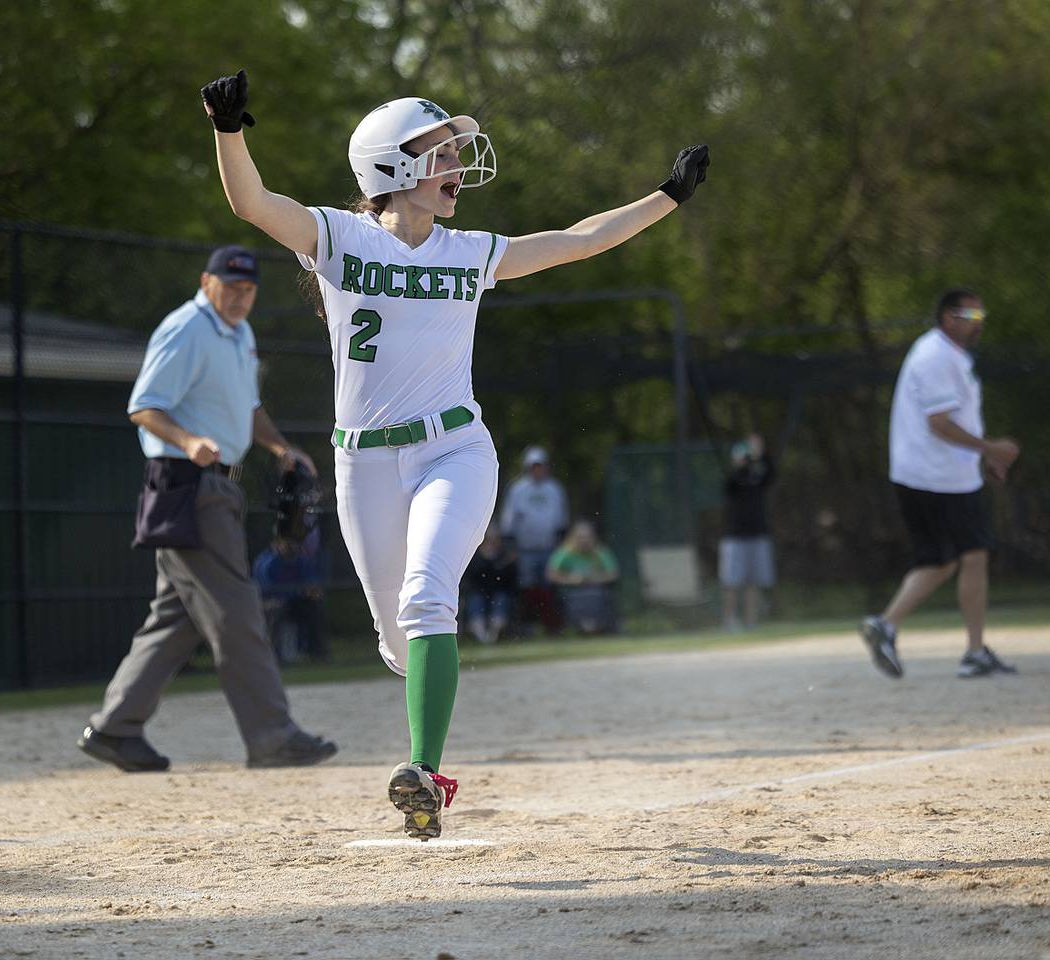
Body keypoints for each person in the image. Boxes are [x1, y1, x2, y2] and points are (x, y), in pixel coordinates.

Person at [201, 68, 709, 839]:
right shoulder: (339, 237)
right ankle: (421, 692)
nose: (457, 167)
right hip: (364, 463)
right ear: (391, 167)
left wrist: (665, 197)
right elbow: (251, 204)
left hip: (455, 450)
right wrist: (228, 130)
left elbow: (577, 241)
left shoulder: (469, 250)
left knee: (428, 596)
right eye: (439, 153)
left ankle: (424, 771)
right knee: (400, 643)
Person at [76, 245, 337, 772]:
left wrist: (281, 447)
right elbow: (143, 406)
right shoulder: (186, 328)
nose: (240, 296)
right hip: (186, 483)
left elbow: (249, 408)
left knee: (175, 618)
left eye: (249, 288)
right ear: (206, 281)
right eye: (231, 286)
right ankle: (272, 736)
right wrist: (189, 439)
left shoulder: (239, 333)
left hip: (214, 487)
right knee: (238, 612)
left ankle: (114, 729)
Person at [860, 289, 1021, 680]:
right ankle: (971, 650)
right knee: (969, 554)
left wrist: (982, 458)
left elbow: (953, 419)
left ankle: (891, 627)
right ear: (949, 317)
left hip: (938, 474)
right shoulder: (935, 356)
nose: (979, 320)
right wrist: (991, 450)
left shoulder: (948, 355)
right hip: (936, 477)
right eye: (972, 313)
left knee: (944, 559)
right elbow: (940, 424)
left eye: (982, 313)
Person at [499, 445, 570, 633]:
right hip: (525, 549)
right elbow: (509, 520)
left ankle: (551, 625)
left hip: (549, 547)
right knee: (526, 587)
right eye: (534, 466)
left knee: (549, 587)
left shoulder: (554, 489)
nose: (537, 469)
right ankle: (527, 625)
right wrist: (510, 546)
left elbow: (561, 520)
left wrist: (560, 544)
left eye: (541, 465)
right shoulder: (518, 489)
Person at [719, 433, 776, 630]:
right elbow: (731, 483)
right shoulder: (734, 479)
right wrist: (742, 463)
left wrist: (761, 454)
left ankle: (751, 622)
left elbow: (771, 474)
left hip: (758, 535)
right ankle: (729, 621)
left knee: (754, 582)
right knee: (731, 582)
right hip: (735, 537)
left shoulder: (757, 476)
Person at [253, 530, 328, 663]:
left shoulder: (299, 559)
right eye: (286, 543)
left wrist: (312, 589)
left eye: (292, 543)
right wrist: (298, 592)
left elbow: (310, 579)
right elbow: (268, 590)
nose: (291, 546)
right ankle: (273, 656)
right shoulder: (269, 563)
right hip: (269, 603)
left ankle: (317, 653)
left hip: (293, 601)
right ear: (276, 544)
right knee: (277, 608)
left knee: (313, 607)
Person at [546, 520, 620, 634]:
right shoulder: (564, 553)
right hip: (570, 593)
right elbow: (551, 575)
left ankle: (602, 627)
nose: (584, 540)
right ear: (573, 537)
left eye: (587, 537)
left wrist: (591, 579)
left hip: (596, 592)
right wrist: (570, 579)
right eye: (580, 537)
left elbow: (613, 574)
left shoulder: (600, 552)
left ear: (593, 537)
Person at [462, 523, 517, 644]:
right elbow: (471, 578)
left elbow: (508, 579)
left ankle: (493, 633)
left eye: (495, 539)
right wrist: (486, 559)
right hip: (478, 592)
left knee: (500, 599)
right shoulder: (474, 555)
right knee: (475, 600)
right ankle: (481, 634)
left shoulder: (504, 554)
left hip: (498, 592)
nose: (492, 543)